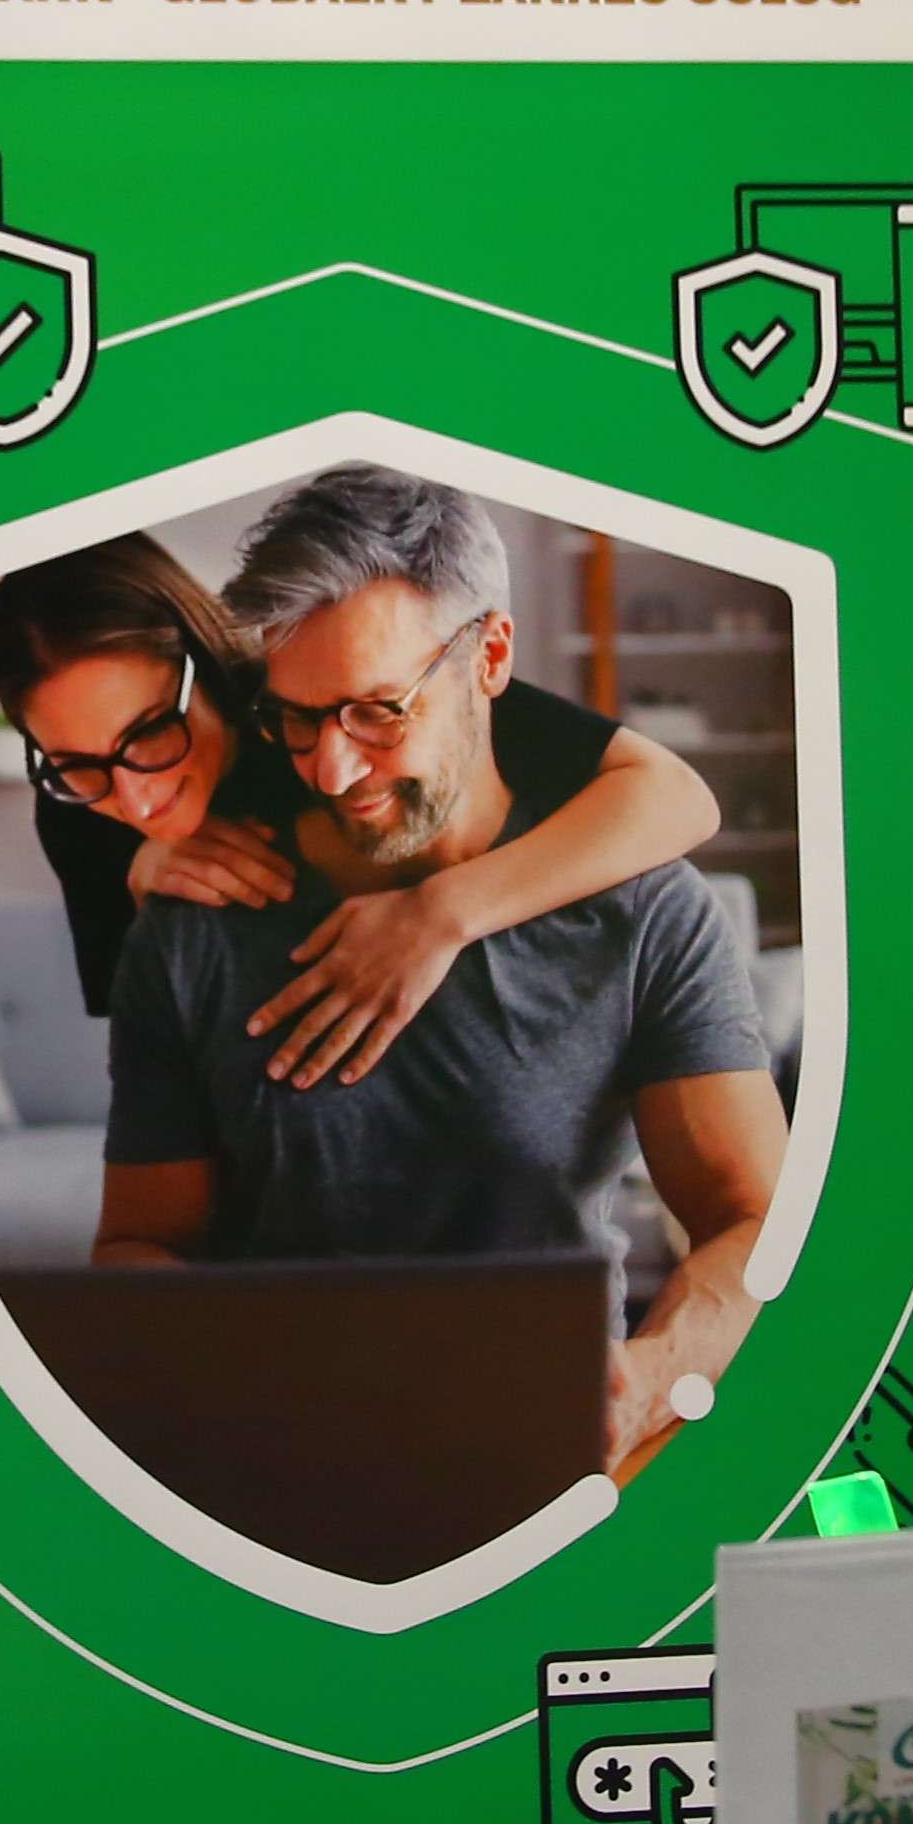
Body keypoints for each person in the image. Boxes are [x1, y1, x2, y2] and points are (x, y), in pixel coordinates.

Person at [94, 469, 783, 1467]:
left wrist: (653, 1375)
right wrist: (226, 1368)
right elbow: (135, 1245)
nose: (332, 770)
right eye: (297, 718)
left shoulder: (644, 912)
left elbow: (755, 1219)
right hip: (268, 1454)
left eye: (379, 711)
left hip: (558, 1445)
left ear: (491, 656)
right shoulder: (199, 921)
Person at [0, 526, 722, 1078]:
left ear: (203, 660)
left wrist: (438, 913)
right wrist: (140, 877)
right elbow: (164, 1059)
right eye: (76, 764)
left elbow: (678, 798)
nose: (133, 796)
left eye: (149, 733)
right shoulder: (71, 809)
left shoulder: (323, 689)